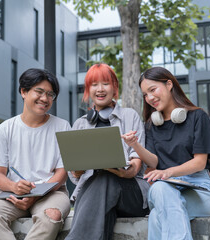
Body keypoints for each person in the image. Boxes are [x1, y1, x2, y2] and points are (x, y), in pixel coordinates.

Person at [122, 66, 210, 240]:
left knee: (156, 217)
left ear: (169, 84)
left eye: (152, 90)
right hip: (164, 189)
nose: (149, 98)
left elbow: (200, 162)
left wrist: (168, 172)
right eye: (145, 94)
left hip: (199, 190)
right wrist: (135, 145)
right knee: (161, 189)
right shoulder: (151, 125)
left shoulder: (198, 117)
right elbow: (153, 162)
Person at [65, 63, 154, 240]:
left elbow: (136, 168)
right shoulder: (80, 124)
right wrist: (80, 166)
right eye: (94, 84)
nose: (100, 89)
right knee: (103, 202)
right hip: (95, 195)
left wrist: (118, 170)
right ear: (88, 90)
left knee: (105, 177)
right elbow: (74, 175)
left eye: (105, 83)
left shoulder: (130, 116)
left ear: (114, 88)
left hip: (131, 194)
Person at [0, 68, 71, 240]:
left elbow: (62, 174)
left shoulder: (63, 127)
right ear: (23, 91)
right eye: (39, 91)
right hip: (13, 194)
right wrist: (15, 187)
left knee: (51, 216)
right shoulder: (5, 129)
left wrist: (36, 195)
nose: (45, 99)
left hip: (52, 192)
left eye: (50, 94)